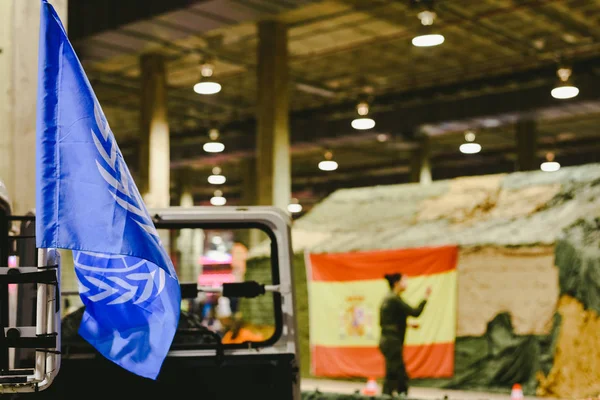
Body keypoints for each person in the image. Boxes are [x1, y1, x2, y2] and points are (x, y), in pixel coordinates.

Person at [379, 273, 432, 397]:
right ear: (396, 284)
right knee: (397, 374)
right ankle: (396, 394)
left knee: (393, 373)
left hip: (388, 341)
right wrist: (425, 297)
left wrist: (407, 324)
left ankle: (390, 394)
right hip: (392, 342)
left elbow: (388, 320)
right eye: (404, 281)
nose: (406, 284)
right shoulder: (394, 299)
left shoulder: (389, 299)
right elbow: (415, 312)